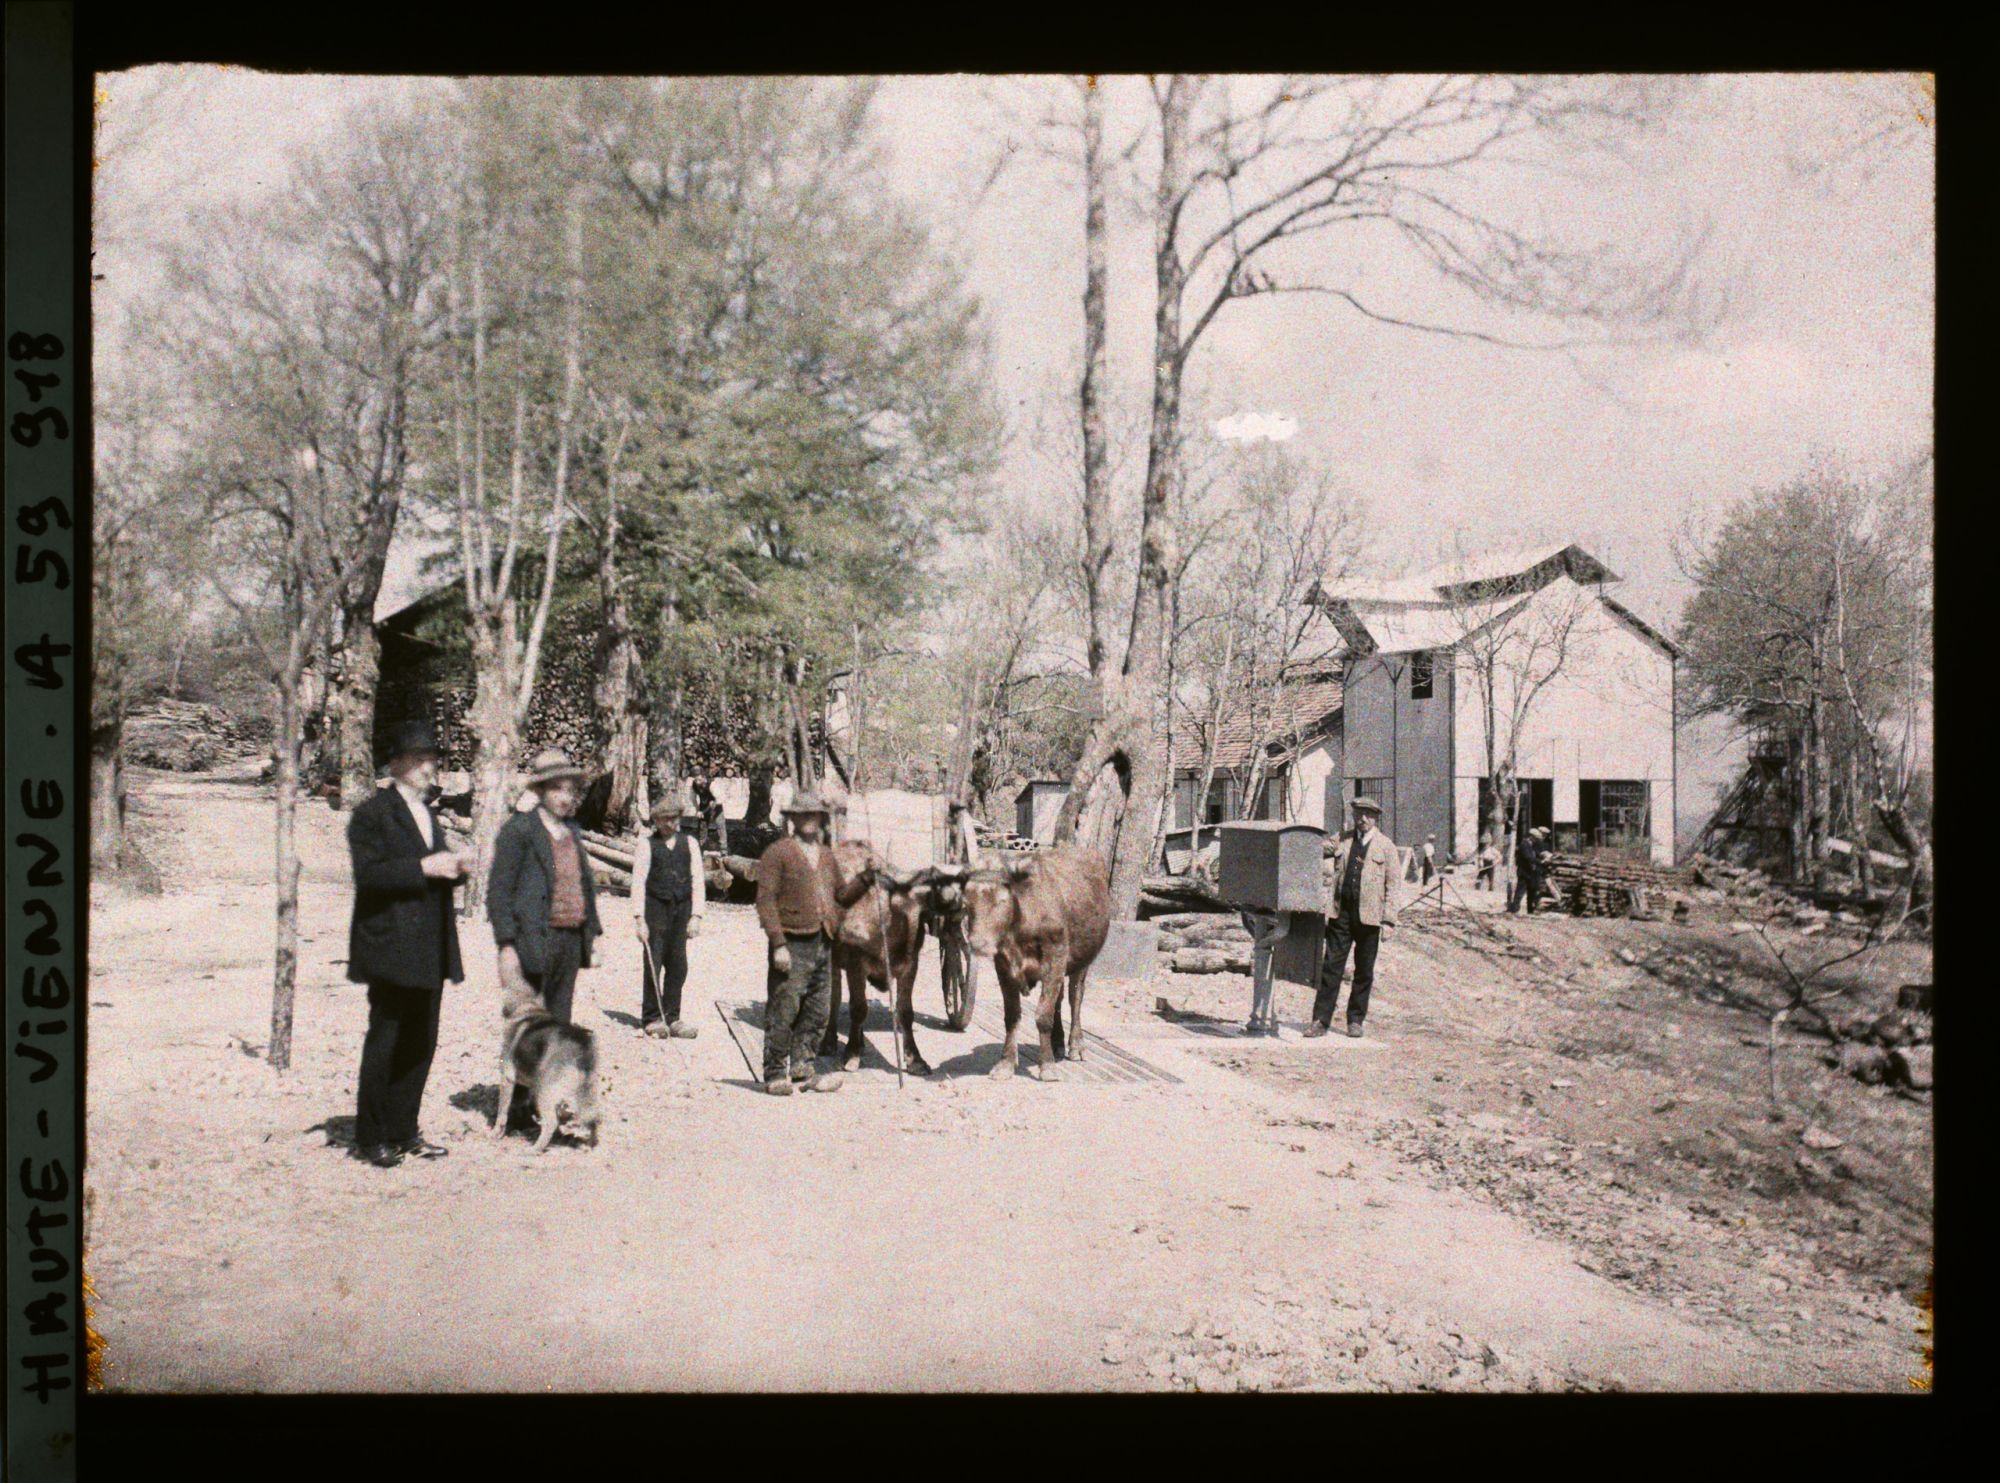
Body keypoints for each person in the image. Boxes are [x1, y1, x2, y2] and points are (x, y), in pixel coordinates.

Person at [344, 720, 470, 1169]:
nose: (426, 769)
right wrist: (425, 868)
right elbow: (369, 875)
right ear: (395, 764)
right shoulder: (371, 814)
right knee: (387, 1039)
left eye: (430, 761)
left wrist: (457, 867)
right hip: (389, 947)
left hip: (428, 947)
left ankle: (403, 1129)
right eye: (417, 760)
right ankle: (370, 1135)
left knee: (422, 1041)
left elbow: (433, 873)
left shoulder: (427, 813)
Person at [488, 748, 603, 1133]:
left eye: (571, 790)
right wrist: (506, 944)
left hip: (568, 943)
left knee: (559, 1026)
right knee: (529, 1027)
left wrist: (593, 934)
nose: (566, 797)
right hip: (532, 943)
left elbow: (585, 885)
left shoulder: (572, 832)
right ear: (540, 791)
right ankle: (518, 1106)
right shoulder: (519, 831)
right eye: (557, 789)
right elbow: (499, 892)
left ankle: (547, 1101)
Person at [754, 790, 876, 1096]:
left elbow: (841, 896)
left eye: (814, 815)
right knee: (785, 1008)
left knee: (817, 1010)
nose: (809, 820)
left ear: (821, 820)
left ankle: (803, 1069)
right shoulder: (778, 853)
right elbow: (765, 901)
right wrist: (778, 943)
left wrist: (865, 879)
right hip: (792, 942)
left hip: (824, 943)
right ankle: (774, 1073)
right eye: (803, 815)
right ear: (792, 819)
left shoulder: (825, 856)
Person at [1307, 795, 1399, 1040]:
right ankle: (1319, 1021)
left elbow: (1393, 886)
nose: (1362, 820)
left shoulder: (1386, 847)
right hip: (1341, 914)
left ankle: (1355, 1020)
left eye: (1368, 815)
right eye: (1358, 815)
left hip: (1370, 918)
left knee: (1364, 972)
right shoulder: (1343, 840)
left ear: (1376, 818)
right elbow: (1317, 848)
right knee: (1331, 968)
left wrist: (1389, 921)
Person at [630, 789, 704, 1039]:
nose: (671, 823)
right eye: (666, 819)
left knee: (678, 964)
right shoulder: (647, 844)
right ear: (657, 820)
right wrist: (639, 918)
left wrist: (696, 916)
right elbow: (638, 882)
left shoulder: (689, 843)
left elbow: (698, 881)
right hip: (655, 908)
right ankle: (652, 1016)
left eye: (675, 818)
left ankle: (673, 1016)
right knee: (654, 960)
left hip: (681, 909)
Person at [1511, 826, 1547, 915]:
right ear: (1531, 836)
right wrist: (1540, 862)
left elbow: (1533, 855)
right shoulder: (1524, 844)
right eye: (1535, 838)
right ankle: (1514, 909)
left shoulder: (1530, 844)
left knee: (1532, 891)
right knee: (1520, 891)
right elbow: (1528, 857)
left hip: (1530, 872)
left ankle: (1530, 910)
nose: (1536, 840)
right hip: (1524, 871)